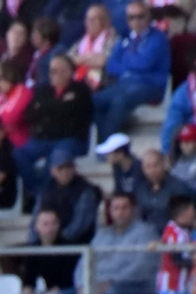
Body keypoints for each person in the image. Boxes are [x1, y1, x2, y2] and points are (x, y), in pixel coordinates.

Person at [15, 55, 92, 201]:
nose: (53, 75)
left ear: (69, 72)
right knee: (18, 154)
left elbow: (73, 112)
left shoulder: (81, 89)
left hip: (69, 138)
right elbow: (30, 114)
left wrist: (45, 109)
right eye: (52, 71)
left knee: (55, 158)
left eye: (58, 71)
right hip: (42, 139)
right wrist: (59, 106)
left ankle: (42, 196)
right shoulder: (43, 90)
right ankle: (36, 190)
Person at [93, 2, 170, 139]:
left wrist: (124, 62)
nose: (136, 21)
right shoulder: (125, 36)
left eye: (140, 17)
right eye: (131, 17)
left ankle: (107, 143)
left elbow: (144, 64)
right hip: (124, 84)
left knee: (120, 101)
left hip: (150, 85)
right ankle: (105, 141)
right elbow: (111, 65)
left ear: (148, 17)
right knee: (94, 100)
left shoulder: (158, 38)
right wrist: (131, 63)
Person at [9, 207, 82, 294]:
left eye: (53, 223)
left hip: (67, 293)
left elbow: (68, 280)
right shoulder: (33, 249)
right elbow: (29, 280)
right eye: (45, 224)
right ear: (37, 226)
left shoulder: (69, 247)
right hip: (46, 293)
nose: (50, 228)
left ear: (59, 225)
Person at [89, 191, 156, 294]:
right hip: (98, 286)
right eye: (116, 208)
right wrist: (83, 284)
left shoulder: (145, 232)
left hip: (138, 287)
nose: (120, 212)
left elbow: (141, 267)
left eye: (125, 208)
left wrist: (110, 283)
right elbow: (85, 262)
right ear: (110, 211)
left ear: (133, 210)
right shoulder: (102, 234)